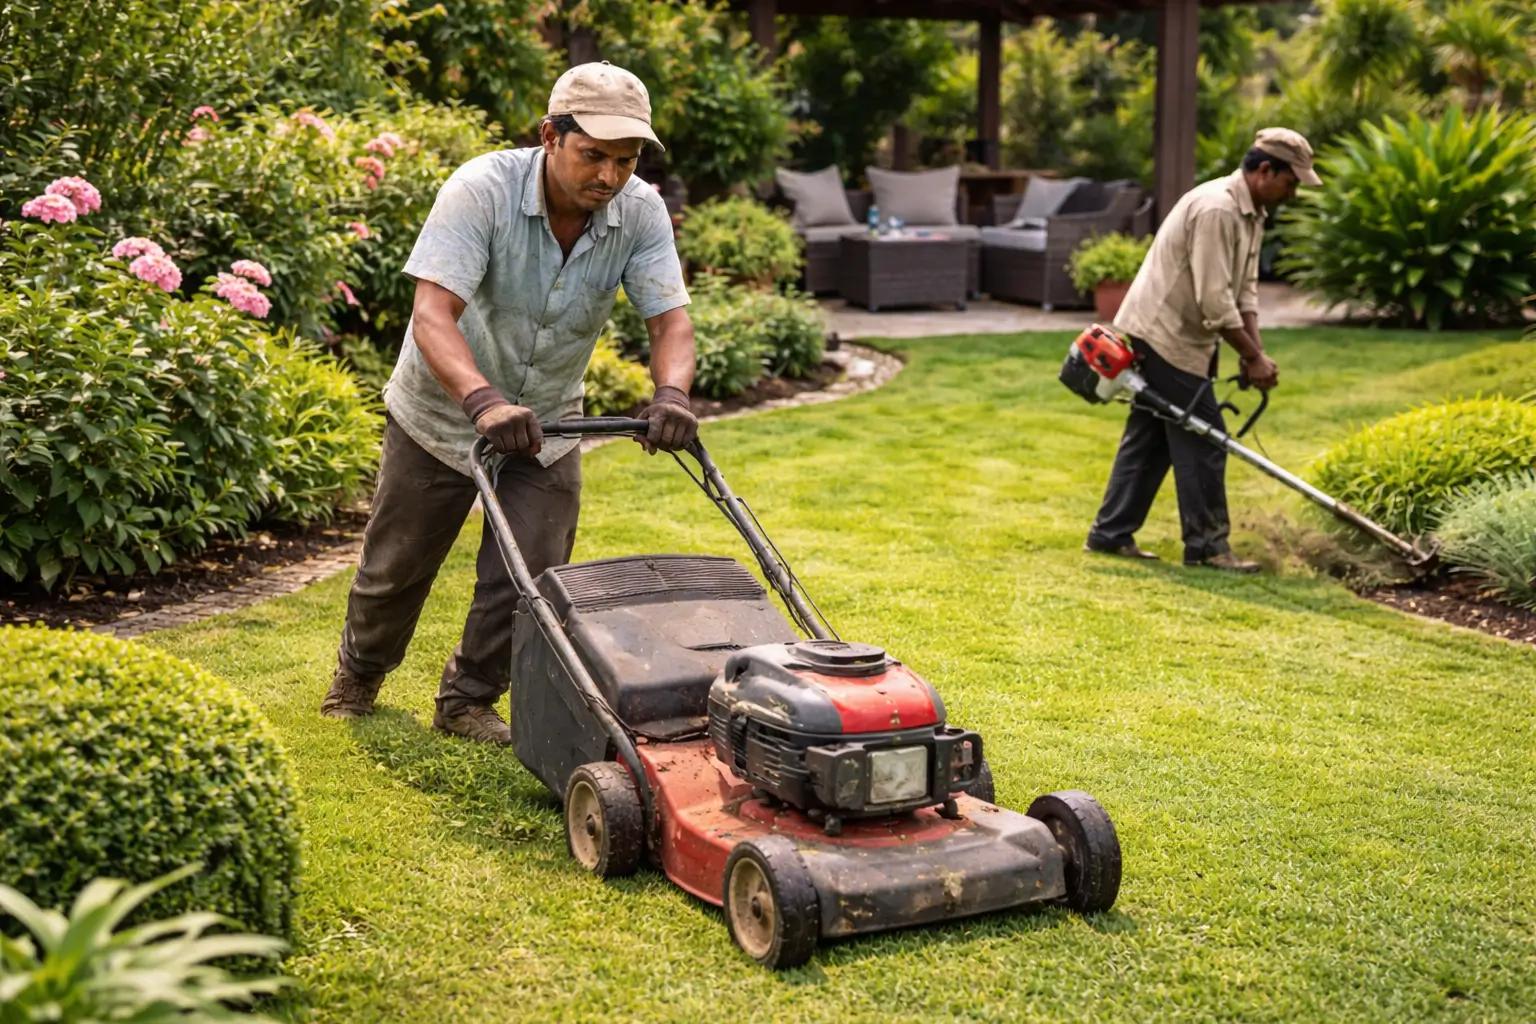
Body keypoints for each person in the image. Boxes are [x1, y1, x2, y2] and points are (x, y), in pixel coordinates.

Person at [318, 62, 698, 744]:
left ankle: (467, 700)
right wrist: (483, 401)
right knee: (396, 568)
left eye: (625, 159)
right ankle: (360, 673)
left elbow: (670, 321)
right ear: (550, 136)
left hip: (549, 421)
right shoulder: (482, 190)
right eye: (593, 156)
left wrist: (670, 392)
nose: (609, 177)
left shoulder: (638, 212)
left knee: (532, 575)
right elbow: (433, 312)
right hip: (441, 414)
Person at [1084, 128, 1321, 574]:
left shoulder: (1252, 212)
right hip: (1163, 333)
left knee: (1150, 440)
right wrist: (1251, 357)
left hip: (1186, 335)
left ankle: (1110, 534)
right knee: (1205, 438)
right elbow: (1215, 299)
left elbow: (1243, 293)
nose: (1293, 192)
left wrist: (1255, 353)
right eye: (1291, 182)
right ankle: (1209, 547)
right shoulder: (1217, 209)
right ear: (1265, 170)